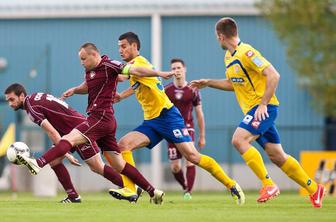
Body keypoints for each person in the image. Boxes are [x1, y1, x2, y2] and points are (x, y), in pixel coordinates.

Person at [190, 17, 325, 208]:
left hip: (264, 109)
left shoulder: (247, 52)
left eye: (216, 36)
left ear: (220, 36)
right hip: (255, 111)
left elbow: (273, 75)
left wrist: (263, 104)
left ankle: (269, 184)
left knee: (238, 140)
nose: (216, 39)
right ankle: (314, 189)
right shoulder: (229, 57)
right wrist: (209, 83)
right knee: (277, 156)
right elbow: (233, 84)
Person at [15, 43, 172, 204]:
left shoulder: (110, 65)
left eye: (83, 58)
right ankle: (154, 191)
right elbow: (88, 86)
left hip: (100, 117)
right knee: (118, 165)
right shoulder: (90, 71)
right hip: (105, 120)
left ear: (94, 55)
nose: (81, 62)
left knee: (68, 139)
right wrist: (75, 90)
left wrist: (158, 72)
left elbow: (136, 70)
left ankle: (38, 163)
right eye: (80, 59)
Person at [109, 32, 245, 205]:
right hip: (152, 121)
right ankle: (130, 189)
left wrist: (104, 68)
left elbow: (125, 75)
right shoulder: (135, 67)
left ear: (134, 46)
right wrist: (122, 95)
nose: (120, 50)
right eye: (119, 47)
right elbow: (136, 82)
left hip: (168, 116)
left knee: (193, 156)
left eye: (123, 46)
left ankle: (231, 185)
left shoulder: (138, 63)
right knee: (123, 145)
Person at [4, 83, 127, 203]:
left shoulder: (31, 108)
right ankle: (73, 196)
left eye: (12, 99)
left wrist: (66, 153)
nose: (10, 104)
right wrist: (66, 152)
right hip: (70, 131)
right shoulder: (35, 98)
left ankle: (129, 187)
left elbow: (52, 132)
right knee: (54, 161)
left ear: (21, 96)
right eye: (8, 100)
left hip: (80, 131)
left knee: (97, 167)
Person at [164, 58, 205, 200]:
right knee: (175, 167)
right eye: (174, 68)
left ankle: (189, 192)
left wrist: (202, 136)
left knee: (190, 159)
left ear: (184, 69)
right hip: (171, 130)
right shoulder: (167, 90)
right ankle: (184, 187)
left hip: (188, 128)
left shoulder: (193, 90)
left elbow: (199, 113)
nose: (176, 71)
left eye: (179, 68)